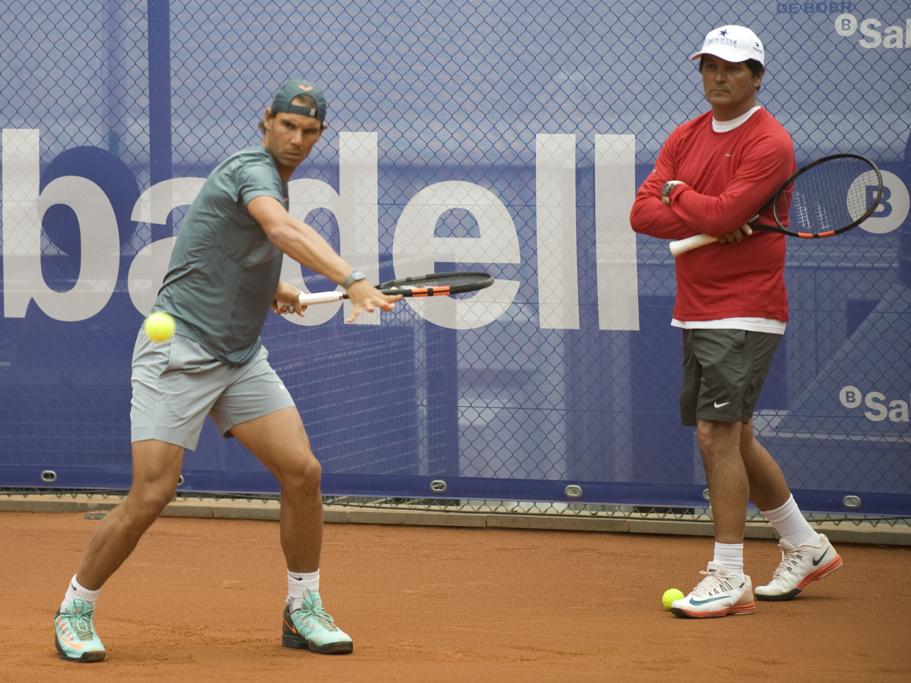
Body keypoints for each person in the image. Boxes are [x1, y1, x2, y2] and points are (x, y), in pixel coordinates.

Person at [53, 78, 400, 661]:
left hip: (239, 358)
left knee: (303, 473)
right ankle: (74, 608)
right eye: (287, 126)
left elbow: (228, 250)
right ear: (265, 120)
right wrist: (351, 279)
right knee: (152, 493)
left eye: (309, 131)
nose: (296, 139)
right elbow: (280, 231)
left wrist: (276, 288)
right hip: (179, 353)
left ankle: (302, 606)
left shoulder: (273, 179)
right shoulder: (252, 170)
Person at [629, 26, 842, 618]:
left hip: (746, 306)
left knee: (715, 435)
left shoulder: (770, 141)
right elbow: (640, 213)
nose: (718, 76)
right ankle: (805, 544)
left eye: (732, 67)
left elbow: (723, 211)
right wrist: (690, 201)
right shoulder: (685, 134)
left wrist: (684, 197)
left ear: (756, 76)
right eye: (709, 66)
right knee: (737, 435)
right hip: (697, 305)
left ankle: (728, 574)